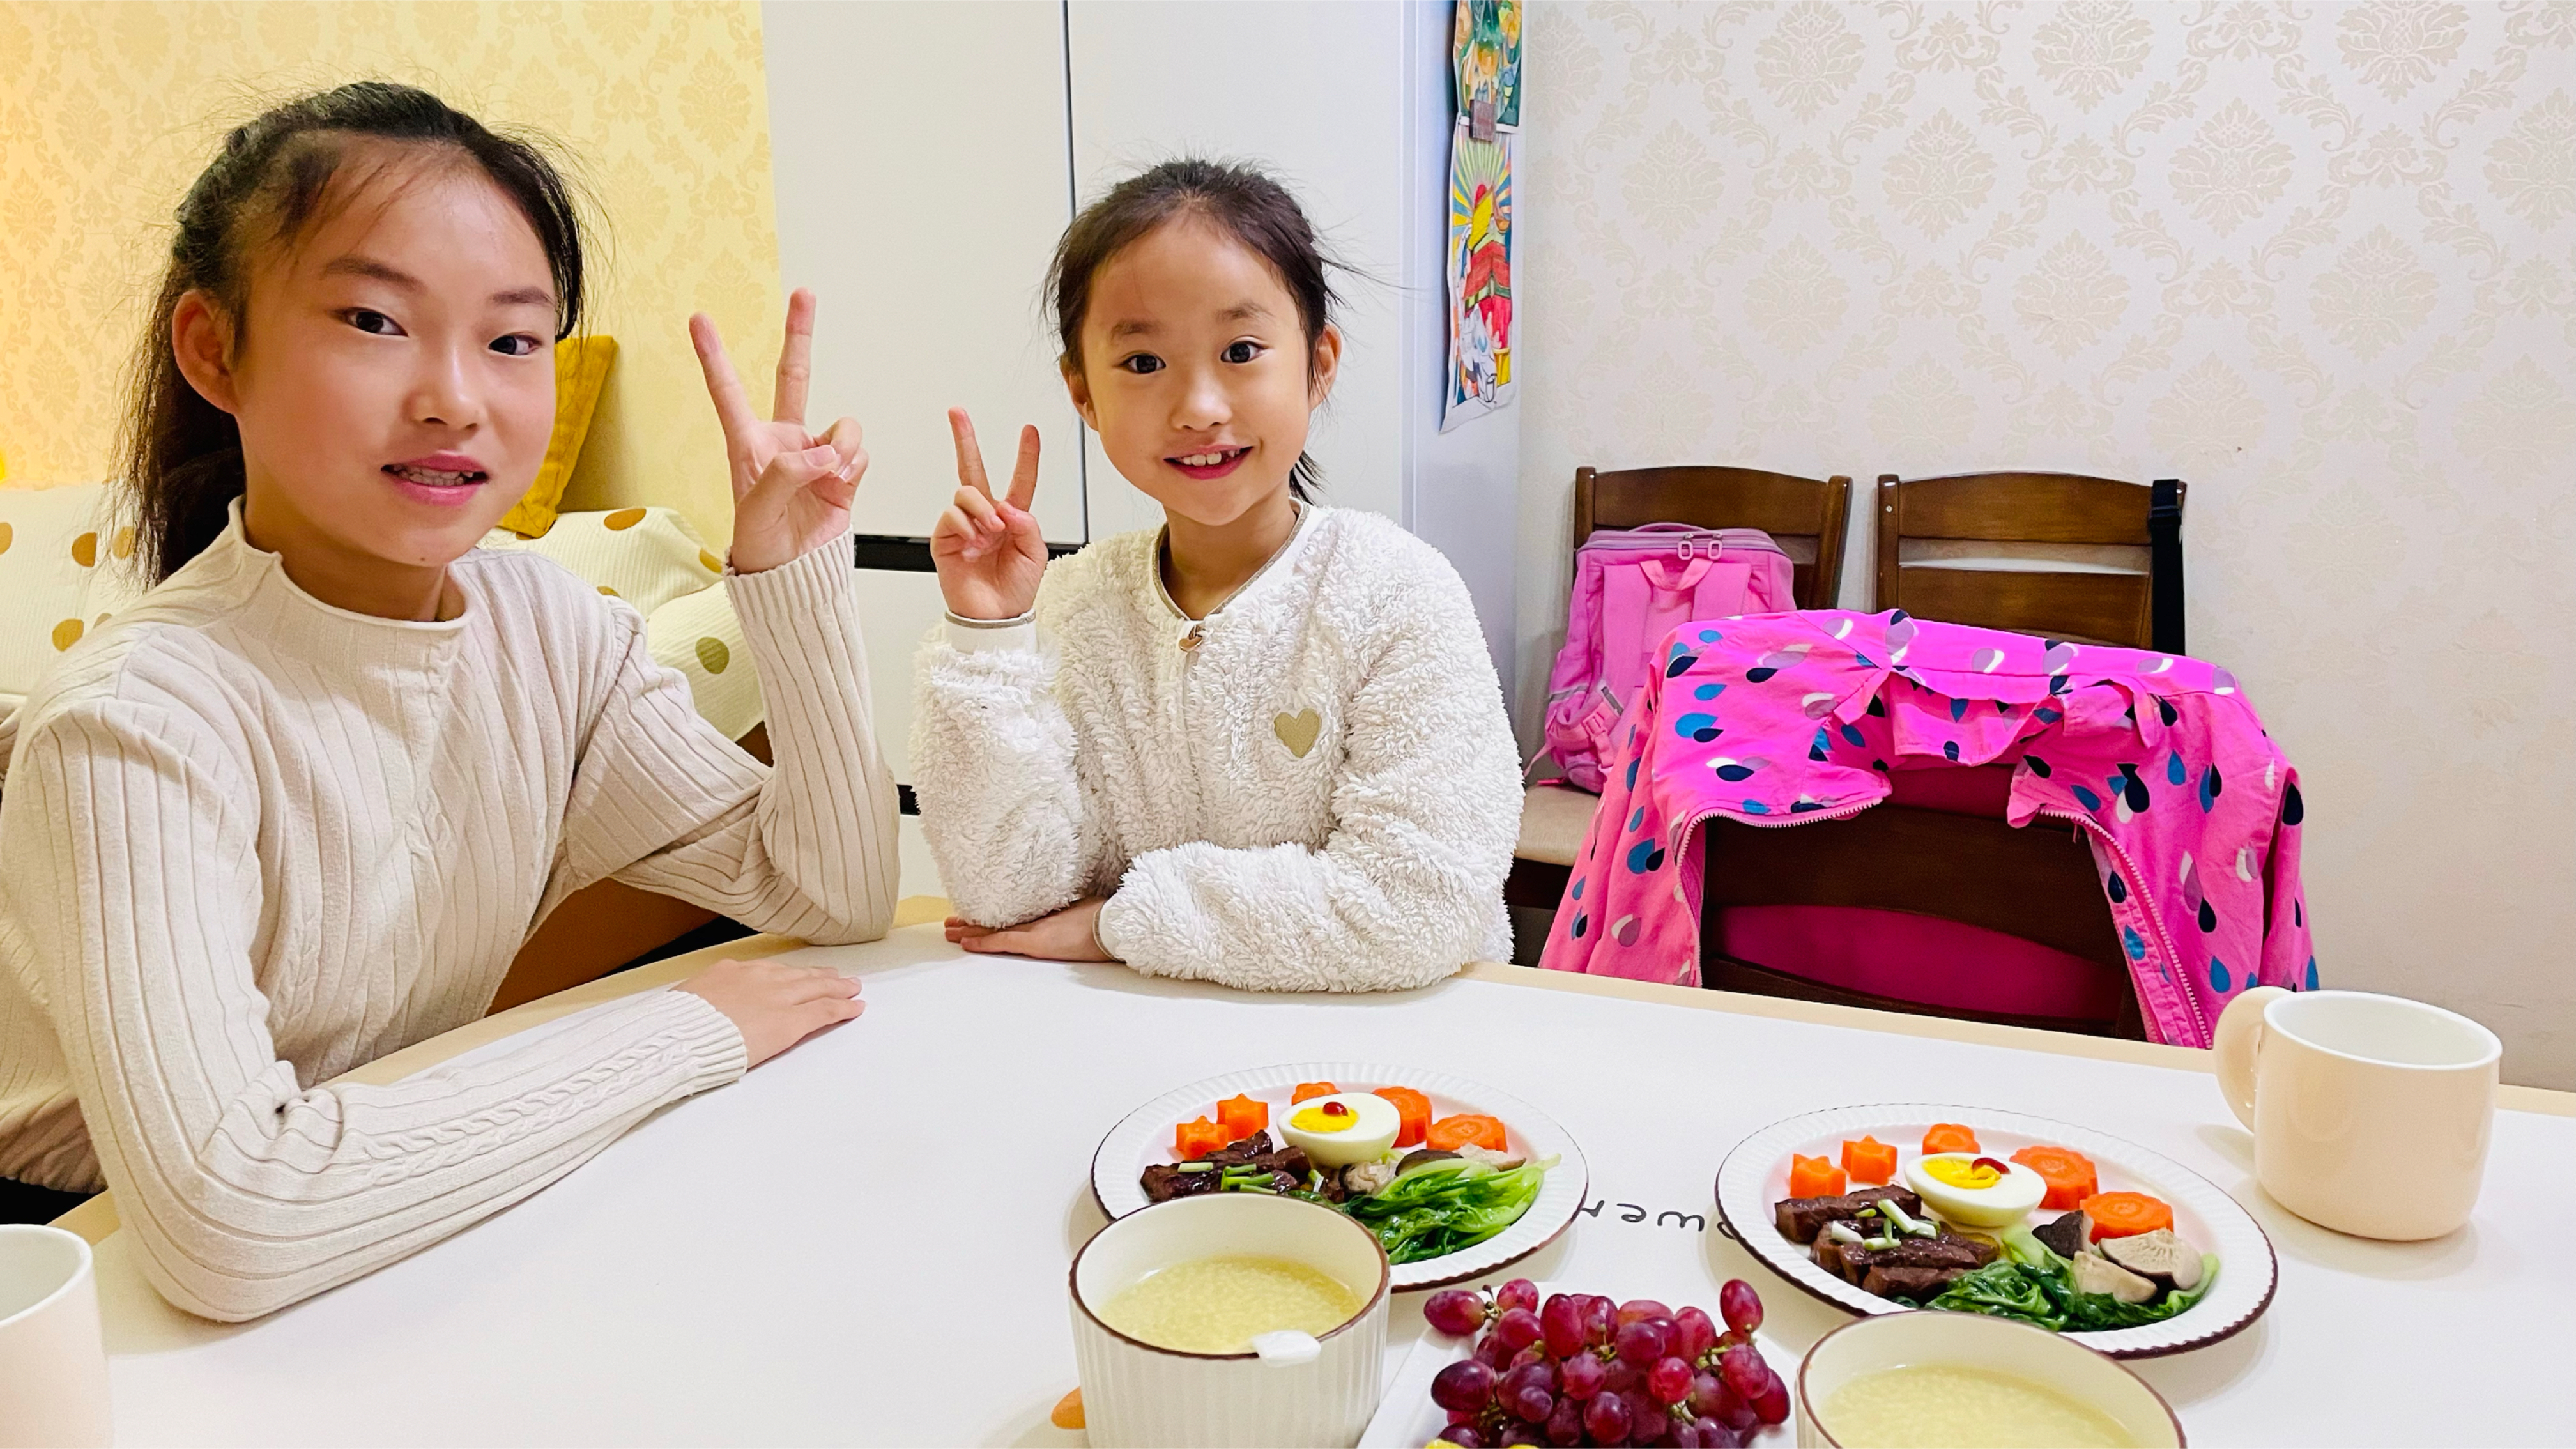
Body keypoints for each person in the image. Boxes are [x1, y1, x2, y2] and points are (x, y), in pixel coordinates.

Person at [0, 83, 898, 1319]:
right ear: (214, 350)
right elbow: (231, 1219)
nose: (455, 399)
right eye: (375, 321)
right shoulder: (131, 724)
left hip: (383, 1212)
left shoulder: (549, 629)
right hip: (81, 1278)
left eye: (512, 341)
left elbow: (834, 892)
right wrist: (684, 1028)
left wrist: (792, 575)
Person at [912, 158, 1521, 991]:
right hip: (1141, 1032)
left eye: (1241, 351)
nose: (1199, 407)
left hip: (1381, 1045)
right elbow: (1007, 894)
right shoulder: (1072, 604)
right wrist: (989, 638)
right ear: (1082, 392)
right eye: (1143, 363)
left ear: (1318, 363)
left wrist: (1118, 923)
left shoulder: (1396, 593)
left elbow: (1418, 908)